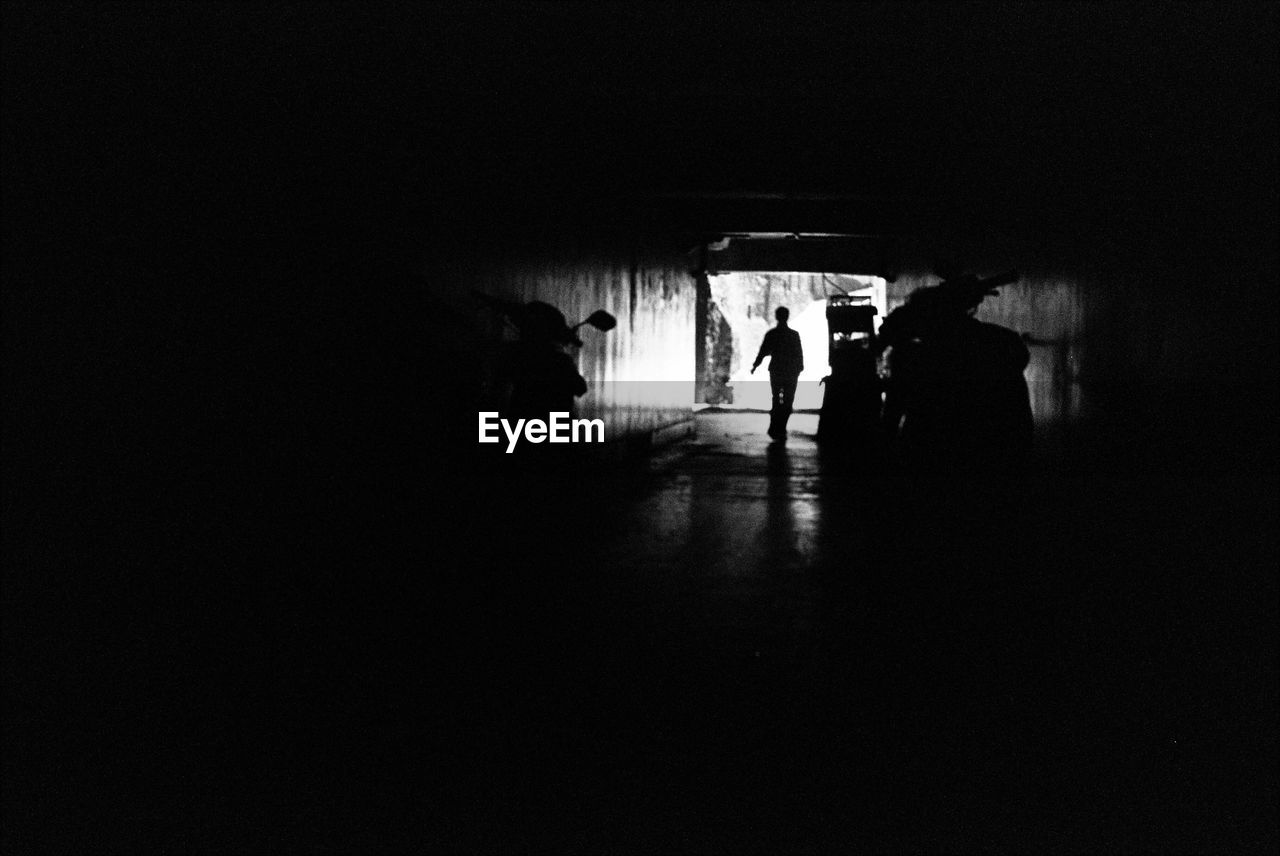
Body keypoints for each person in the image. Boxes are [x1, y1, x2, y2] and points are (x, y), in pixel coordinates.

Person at [751, 307, 804, 441]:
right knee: (788, 400)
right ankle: (781, 427)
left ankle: (774, 426)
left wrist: (755, 366)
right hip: (791, 372)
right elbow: (799, 354)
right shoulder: (794, 335)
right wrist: (799, 368)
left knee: (776, 399)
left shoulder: (772, 334)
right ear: (787, 316)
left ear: (776, 316)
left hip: (776, 370)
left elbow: (763, 351)